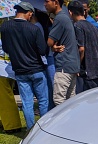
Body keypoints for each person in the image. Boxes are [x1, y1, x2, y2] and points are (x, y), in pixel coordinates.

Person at [0, 1, 49, 130]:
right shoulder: (33, 28)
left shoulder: (5, 27)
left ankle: (30, 129)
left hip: (20, 70)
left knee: (27, 102)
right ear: (29, 13)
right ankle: (42, 129)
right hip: (36, 68)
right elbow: (42, 50)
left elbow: (5, 48)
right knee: (43, 100)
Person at [68, 1, 98, 92]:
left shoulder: (77, 26)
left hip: (90, 72)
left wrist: (77, 66)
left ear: (70, 12)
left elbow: (81, 49)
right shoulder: (93, 26)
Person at [45, 0, 80, 106]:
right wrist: (54, 48)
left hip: (64, 65)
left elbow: (49, 42)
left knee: (59, 100)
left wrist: (53, 46)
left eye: (47, 1)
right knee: (70, 101)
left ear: (56, 2)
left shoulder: (59, 18)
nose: (44, 4)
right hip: (72, 64)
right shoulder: (66, 17)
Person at [0, 40, 22, 133]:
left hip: (2, 71)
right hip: (10, 70)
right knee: (7, 98)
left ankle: (12, 126)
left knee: (5, 100)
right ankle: (9, 123)